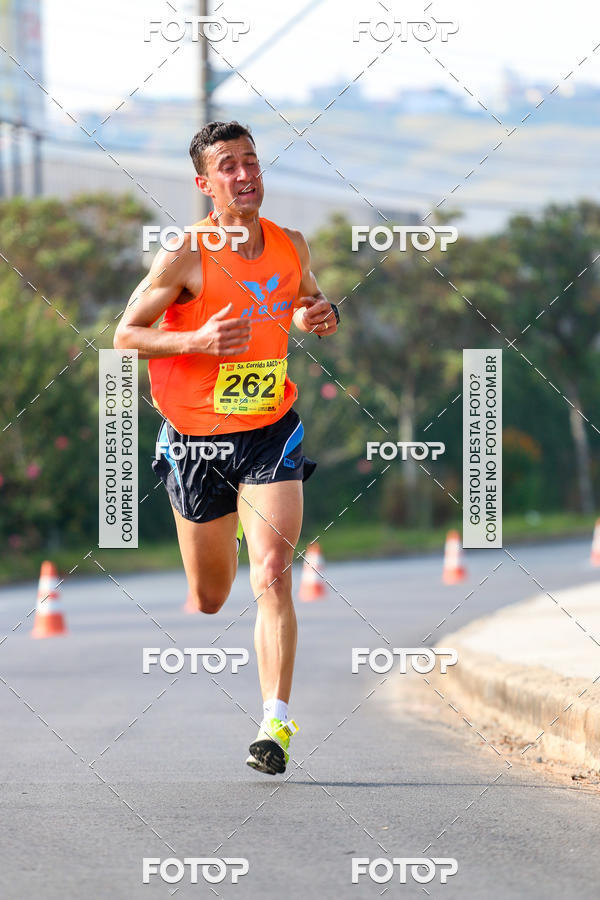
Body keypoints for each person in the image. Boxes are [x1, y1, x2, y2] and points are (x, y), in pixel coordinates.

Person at [114, 120, 340, 775]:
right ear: (205, 183)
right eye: (229, 167)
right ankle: (223, 521)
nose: (245, 176)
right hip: (195, 443)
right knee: (211, 595)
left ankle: (276, 723)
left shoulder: (291, 244)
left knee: (272, 573)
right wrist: (194, 342)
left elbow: (307, 302)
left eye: (251, 161)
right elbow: (126, 335)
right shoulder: (185, 254)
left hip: (269, 431)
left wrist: (316, 316)